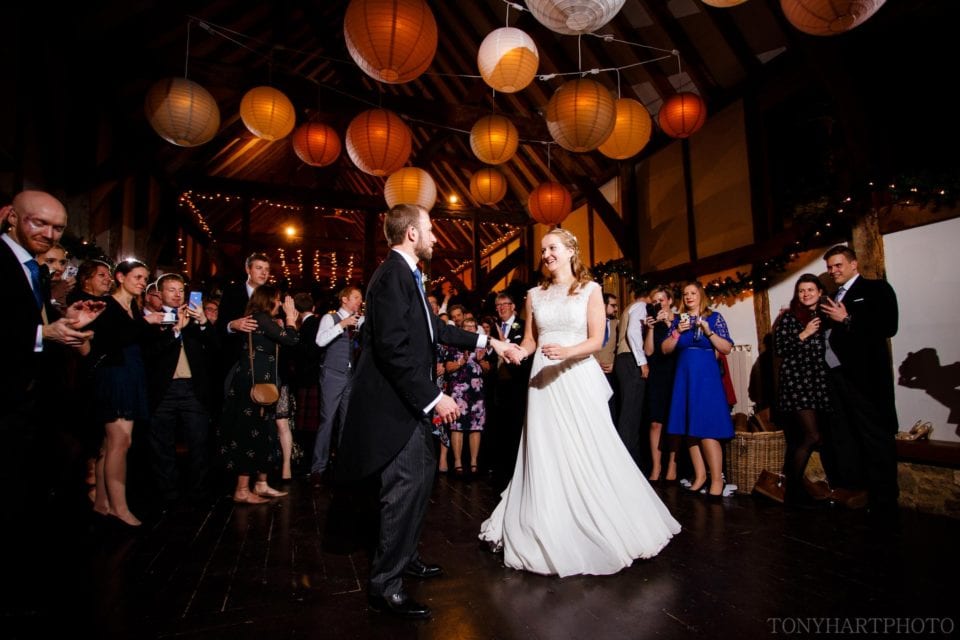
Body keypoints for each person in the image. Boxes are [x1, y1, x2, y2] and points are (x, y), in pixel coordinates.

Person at [335, 204, 516, 619]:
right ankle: (386, 588)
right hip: (395, 409)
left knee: (420, 484)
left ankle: (406, 556)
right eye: (431, 228)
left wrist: (493, 343)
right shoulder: (391, 277)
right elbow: (393, 350)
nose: (436, 235)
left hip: (409, 405)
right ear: (412, 234)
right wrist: (435, 399)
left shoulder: (411, 277)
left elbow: (439, 331)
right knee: (403, 490)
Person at [479, 228, 679, 577]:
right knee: (546, 449)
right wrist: (515, 351)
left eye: (552, 247)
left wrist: (567, 352)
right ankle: (548, 524)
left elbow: (595, 338)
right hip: (543, 379)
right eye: (543, 250)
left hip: (576, 374)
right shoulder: (533, 296)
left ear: (572, 250)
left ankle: (604, 520)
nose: (546, 254)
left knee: (591, 445)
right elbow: (530, 341)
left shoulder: (590, 290)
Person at [820, 245, 899, 516]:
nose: (834, 271)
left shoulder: (876, 289)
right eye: (830, 267)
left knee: (875, 437)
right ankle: (856, 493)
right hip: (836, 378)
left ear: (854, 264)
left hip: (866, 379)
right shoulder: (830, 297)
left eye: (838, 265)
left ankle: (884, 501)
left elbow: (889, 326)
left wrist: (848, 319)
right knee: (846, 436)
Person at [87, 259, 165, 527]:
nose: (143, 282)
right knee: (120, 442)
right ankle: (120, 508)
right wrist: (147, 323)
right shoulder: (108, 306)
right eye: (138, 277)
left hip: (131, 372)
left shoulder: (132, 307)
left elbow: (139, 340)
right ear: (120, 277)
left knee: (110, 445)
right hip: (115, 375)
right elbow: (110, 340)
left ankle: (102, 503)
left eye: (145, 278)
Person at [140, 274, 219, 506]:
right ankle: (168, 493)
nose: (177, 294)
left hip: (192, 389)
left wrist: (203, 321)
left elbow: (215, 348)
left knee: (199, 442)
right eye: (171, 290)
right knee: (162, 445)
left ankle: (199, 492)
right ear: (160, 294)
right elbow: (150, 353)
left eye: (180, 290)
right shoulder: (152, 319)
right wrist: (175, 330)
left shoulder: (195, 319)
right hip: (164, 390)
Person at [219, 285, 298, 504]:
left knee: (264, 434)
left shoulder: (265, 321)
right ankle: (242, 490)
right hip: (252, 387)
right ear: (267, 300)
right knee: (248, 433)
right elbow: (292, 339)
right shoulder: (260, 318)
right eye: (278, 299)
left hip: (264, 385)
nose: (280, 304)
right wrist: (291, 318)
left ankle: (261, 484)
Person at [662, 282, 734, 498]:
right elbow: (665, 349)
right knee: (689, 428)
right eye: (685, 294)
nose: (689, 297)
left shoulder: (714, 317)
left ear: (701, 295)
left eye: (693, 293)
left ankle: (716, 479)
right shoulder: (678, 320)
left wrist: (708, 332)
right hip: (685, 376)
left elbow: (727, 348)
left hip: (706, 377)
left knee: (707, 428)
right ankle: (700, 475)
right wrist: (676, 332)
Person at [774, 274, 832, 507]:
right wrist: (805, 333)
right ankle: (792, 489)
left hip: (819, 382)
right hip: (798, 383)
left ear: (819, 292)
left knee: (808, 437)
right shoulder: (788, 318)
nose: (806, 294)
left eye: (810, 290)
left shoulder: (827, 315)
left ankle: (799, 487)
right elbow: (780, 348)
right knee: (811, 435)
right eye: (801, 291)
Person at [309, 285, 363, 484]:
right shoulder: (329, 318)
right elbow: (320, 341)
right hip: (332, 375)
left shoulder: (358, 320)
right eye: (356, 298)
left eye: (360, 298)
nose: (359, 301)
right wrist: (342, 325)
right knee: (327, 421)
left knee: (347, 424)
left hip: (350, 375)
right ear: (345, 299)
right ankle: (318, 468)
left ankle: (343, 466)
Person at [439, 317, 491, 475]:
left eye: (472, 327)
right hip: (459, 393)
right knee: (457, 427)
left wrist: (481, 361)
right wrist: (462, 362)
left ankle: (474, 463)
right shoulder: (454, 347)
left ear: (476, 330)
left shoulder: (482, 348)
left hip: (476, 393)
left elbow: (488, 369)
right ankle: (457, 463)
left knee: (476, 427)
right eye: (466, 327)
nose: (469, 330)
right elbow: (447, 368)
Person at [643, 286, 678, 482]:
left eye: (661, 300)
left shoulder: (679, 320)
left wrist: (669, 321)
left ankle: (672, 466)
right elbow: (648, 352)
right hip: (657, 373)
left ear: (670, 301)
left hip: (675, 371)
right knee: (656, 422)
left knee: (673, 421)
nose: (658, 304)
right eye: (654, 302)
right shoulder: (651, 323)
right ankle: (657, 466)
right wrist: (650, 328)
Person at [613, 287, 650, 465]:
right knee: (631, 414)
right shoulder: (641, 306)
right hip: (631, 360)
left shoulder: (628, 307)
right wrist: (642, 361)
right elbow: (633, 333)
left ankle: (629, 459)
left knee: (628, 411)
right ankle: (626, 463)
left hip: (622, 360)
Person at [595, 292, 619, 418]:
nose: (616, 309)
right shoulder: (591, 322)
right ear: (603, 305)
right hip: (592, 371)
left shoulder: (617, 324)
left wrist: (615, 364)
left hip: (609, 372)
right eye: (613, 305)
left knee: (610, 407)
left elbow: (620, 347)